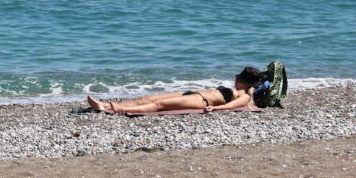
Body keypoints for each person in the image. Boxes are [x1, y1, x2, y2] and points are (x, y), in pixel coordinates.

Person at [86, 67, 263, 114]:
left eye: (238, 76)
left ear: (242, 80)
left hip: (201, 101)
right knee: (147, 98)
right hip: (192, 94)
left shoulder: (245, 96)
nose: (235, 78)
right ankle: (104, 105)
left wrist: (215, 108)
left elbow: (233, 106)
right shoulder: (237, 89)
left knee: (160, 105)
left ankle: (119, 109)